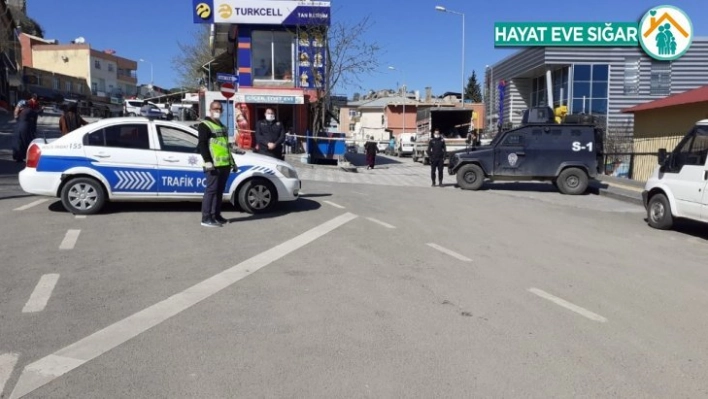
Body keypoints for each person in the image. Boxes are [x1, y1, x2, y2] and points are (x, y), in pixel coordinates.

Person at [197, 101, 236, 227]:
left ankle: (216, 215)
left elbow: (226, 147)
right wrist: (207, 161)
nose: (218, 111)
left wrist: (232, 162)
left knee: (219, 192)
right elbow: (202, 145)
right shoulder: (205, 125)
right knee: (211, 191)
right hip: (213, 165)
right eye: (215, 108)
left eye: (220, 109)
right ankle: (206, 217)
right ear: (210, 109)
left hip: (224, 164)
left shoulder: (222, 126)